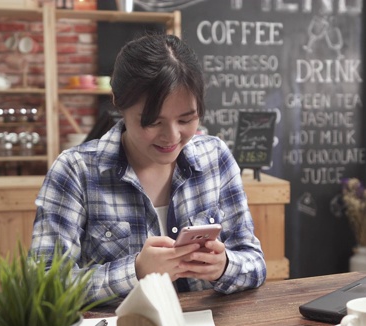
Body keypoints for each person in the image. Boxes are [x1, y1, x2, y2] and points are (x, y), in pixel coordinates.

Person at [30, 33, 266, 303]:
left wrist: (224, 267)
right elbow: (43, 287)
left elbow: (255, 263)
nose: (172, 136)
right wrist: (136, 271)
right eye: (153, 122)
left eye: (186, 119)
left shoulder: (215, 157)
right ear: (118, 102)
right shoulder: (76, 171)